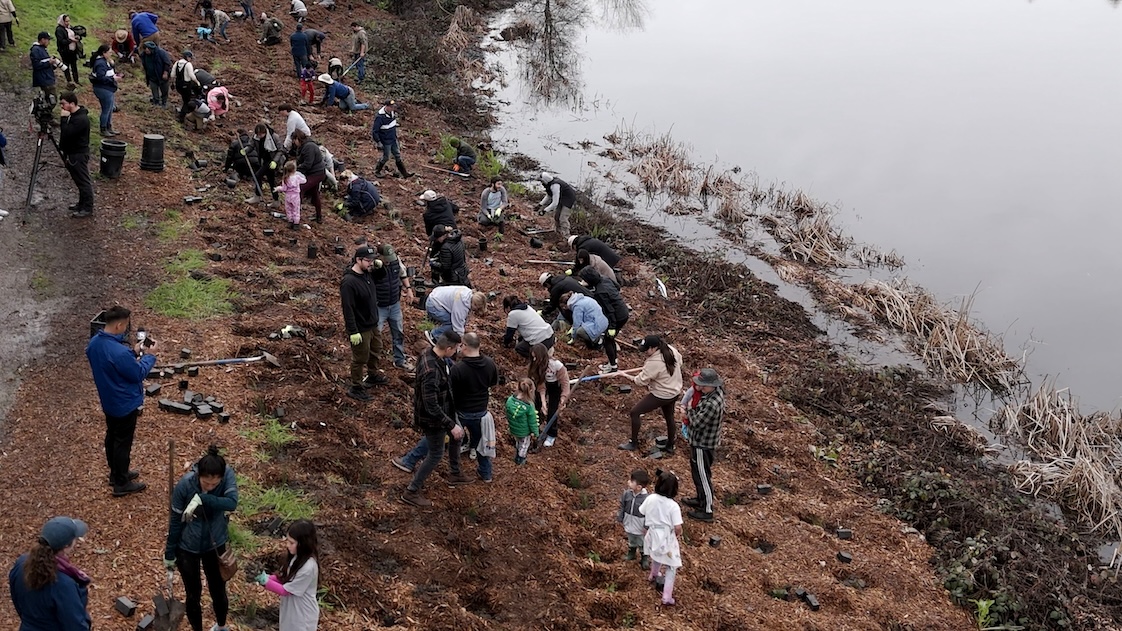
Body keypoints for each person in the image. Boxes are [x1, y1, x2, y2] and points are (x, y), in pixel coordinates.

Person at [164, 445, 239, 631]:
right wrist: (170, 552)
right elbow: (175, 521)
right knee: (193, 594)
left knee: (218, 590)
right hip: (187, 546)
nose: (210, 487)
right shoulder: (185, 484)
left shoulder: (227, 474)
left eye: (215, 484)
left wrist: (204, 498)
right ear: (199, 475)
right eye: (206, 483)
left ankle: (221, 626)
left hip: (215, 543)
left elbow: (232, 503)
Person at [85, 304, 155, 495]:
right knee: (122, 443)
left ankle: (116, 474)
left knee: (112, 437)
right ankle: (121, 484)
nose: (126, 329)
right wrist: (149, 356)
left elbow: (114, 364)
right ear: (118, 326)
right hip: (124, 403)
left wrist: (133, 352)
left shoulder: (94, 344)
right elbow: (138, 373)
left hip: (108, 400)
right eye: (125, 326)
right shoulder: (118, 352)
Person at [401, 331, 464, 507]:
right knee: (435, 454)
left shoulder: (429, 354)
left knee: (456, 437)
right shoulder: (431, 371)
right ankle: (412, 491)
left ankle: (456, 472)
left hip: (445, 411)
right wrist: (451, 425)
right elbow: (431, 406)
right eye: (456, 349)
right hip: (434, 420)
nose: (457, 352)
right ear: (449, 348)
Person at [8, 516, 91, 630]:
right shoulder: (64, 584)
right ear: (67, 546)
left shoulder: (21, 563)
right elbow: (76, 626)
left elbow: (16, 599)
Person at [619, 335, 682, 454]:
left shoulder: (653, 362)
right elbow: (680, 362)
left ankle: (633, 443)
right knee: (669, 417)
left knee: (635, 412)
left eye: (646, 349)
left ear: (654, 348)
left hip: (662, 394)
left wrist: (624, 375)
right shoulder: (670, 349)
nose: (645, 352)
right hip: (675, 391)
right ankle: (670, 446)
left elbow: (639, 381)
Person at [450, 332, 499, 482]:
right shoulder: (490, 364)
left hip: (461, 411)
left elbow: (451, 391)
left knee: (449, 441)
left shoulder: (458, 369)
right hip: (481, 412)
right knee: (481, 443)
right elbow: (492, 383)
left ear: (464, 346)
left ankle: (455, 471)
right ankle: (486, 474)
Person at [341, 245, 388, 401]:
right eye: (368, 260)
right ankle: (356, 386)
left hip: (372, 323)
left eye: (372, 260)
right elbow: (348, 309)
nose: (371, 263)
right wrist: (353, 331)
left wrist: (379, 267)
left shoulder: (368, 274)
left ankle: (372, 375)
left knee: (376, 350)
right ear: (358, 260)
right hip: (361, 327)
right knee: (360, 357)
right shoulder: (349, 282)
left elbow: (381, 277)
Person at [254, 520, 319, 631]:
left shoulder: (308, 567)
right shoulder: (297, 557)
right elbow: (285, 578)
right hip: (292, 611)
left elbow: (285, 590)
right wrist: (267, 577)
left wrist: (265, 581)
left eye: (291, 542)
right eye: (287, 541)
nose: (287, 545)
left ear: (303, 543)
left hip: (302, 616)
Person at [682, 368, 725, 523]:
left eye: (703, 385)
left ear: (711, 385)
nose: (700, 388)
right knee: (698, 473)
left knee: (703, 476)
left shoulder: (712, 404)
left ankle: (707, 509)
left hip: (703, 444)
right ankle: (700, 499)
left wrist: (688, 411)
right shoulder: (714, 393)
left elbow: (697, 423)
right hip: (702, 441)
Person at [369, 241, 414, 370]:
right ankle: (372, 363)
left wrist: (409, 289)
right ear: (380, 256)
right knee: (375, 334)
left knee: (398, 333)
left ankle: (399, 360)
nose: (388, 261)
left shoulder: (395, 260)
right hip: (379, 306)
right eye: (386, 259)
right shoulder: (373, 266)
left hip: (394, 304)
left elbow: (402, 273)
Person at [641, 470, 683, 606]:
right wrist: (677, 534)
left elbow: (642, 512)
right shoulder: (673, 506)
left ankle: (653, 574)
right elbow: (677, 527)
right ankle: (667, 596)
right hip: (666, 537)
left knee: (656, 554)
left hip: (652, 533)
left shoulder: (651, 498)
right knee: (671, 565)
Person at [579, 267, 629, 373]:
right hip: (623, 310)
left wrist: (612, 327)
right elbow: (617, 286)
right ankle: (613, 362)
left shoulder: (600, 292)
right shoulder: (604, 278)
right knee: (610, 339)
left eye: (584, 280)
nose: (583, 282)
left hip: (618, 316)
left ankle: (613, 366)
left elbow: (610, 311)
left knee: (608, 340)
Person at [59, 92, 94, 218]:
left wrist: (63, 120)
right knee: (79, 181)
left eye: (63, 104)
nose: (62, 107)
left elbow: (67, 133)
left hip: (78, 155)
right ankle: (81, 203)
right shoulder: (74, 115)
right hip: (72, 153)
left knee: (83, 181)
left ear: (72, 104)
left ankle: (87, 208)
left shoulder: (81, 119)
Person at [528, 343, 569, 447]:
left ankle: (551, 434)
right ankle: (535, 429)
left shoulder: (556, 365)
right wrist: (543, 402)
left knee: (553, 410)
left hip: (555, 386)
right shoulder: (536, 365)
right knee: (535, 405)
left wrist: (563, 398)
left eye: (536, 357)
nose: (534, 359)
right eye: (533, 357)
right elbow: (541, 385)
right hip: (543, 385)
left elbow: (565, 383)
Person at [616, 469, 651, 570]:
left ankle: (644, 557)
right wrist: (621, 516)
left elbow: (649, 514)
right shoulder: (627, 494)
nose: (628, 482)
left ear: (639, 487)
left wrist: (646, 526)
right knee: (631, 539)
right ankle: (631, 553)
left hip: (640, 525)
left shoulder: (646, 499)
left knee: (641, 541)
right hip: (629, 521)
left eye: (631, 481)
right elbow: (622, 506)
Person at [291, 129, 325, 222]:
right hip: (314, 172)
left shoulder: (309, 147)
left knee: (300, 188)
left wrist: (294, 170)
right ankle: (319, 217)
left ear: (298, 139)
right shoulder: (303, 146)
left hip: (316, 173)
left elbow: (307, 164)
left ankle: (295, 214)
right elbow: (300, 160)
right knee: (314, 194)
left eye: (294, 141)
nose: (294, 144)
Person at [372, 100, 412, 178]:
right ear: (386, 106)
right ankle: (377, 171)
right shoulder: (380, 117)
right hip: (386, 140)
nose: (392, 108)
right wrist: (378, 142)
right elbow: (375, 131)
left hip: (393, 138)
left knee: (397, 155)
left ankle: (404, 173)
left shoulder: (392, 113)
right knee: (386, 157)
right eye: (391, 107)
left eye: (393, 107)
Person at [505, 378, 539, 465]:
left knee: (518, 441)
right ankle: (521, 459)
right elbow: (532, 422)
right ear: (530, 390)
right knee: (524, 445)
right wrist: (535, 433)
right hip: (524, 431)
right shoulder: (529, 406)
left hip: (514, 429)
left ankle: (517, 454)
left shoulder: (510, 400)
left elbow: (507, 412)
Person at [89, 45, 119, 136]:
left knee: (109, 109)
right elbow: (100, 77)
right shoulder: (101, 64)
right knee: (106, 110)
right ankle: (103, 128)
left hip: (108, 88)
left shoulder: (105, 62)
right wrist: (113, 79)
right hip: (103, 89)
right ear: (104, 53)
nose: (111, 54)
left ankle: (108, 127)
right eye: (109, 52)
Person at [251, 123, 285, 203]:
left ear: (265, 132)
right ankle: (276, 200)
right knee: (271, 180)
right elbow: (251, 145)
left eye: (261, 134)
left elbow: (281, 150)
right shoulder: (256, 138)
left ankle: (257, 196)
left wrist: (275, 161)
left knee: (257, 175)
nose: (260, 136)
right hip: (264, 160)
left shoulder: (274, 137)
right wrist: (246, 149)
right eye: (258, 134)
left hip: (272, 160)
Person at [538, 171, 577, 239]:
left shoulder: (555, 186)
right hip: (561, 198)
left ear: (545, 180)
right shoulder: (549, 184)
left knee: (563, 218)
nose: (542, 183)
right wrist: (540, 204)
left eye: (542, 181)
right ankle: (558, 232)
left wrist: (545, 210)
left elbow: (555, 203)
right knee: (557, 216)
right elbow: (549, 195)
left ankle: (566, 236)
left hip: (569, 199)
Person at [173, 50, 202, 124]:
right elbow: (192, 76)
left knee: (184, 99)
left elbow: (172, 75)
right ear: (187, 57)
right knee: (187, 101)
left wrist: (173, 82)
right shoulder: (188, 64)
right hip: (186, 85)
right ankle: (181, 117)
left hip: (178, 85)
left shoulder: (177, 63)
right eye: (190, 58)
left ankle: (182, 112)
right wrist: (197, 82)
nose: (191, 59)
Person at [30, 32, 59, 105]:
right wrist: (49, 62)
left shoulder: (42, 49)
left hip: (47, 77)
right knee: (52, 99)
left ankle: (45, 112)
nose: (48, 42)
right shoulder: (36, 50)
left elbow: (44, 62)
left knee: (49, 98)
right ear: (42, 40)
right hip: (44, 79)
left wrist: (53, 64)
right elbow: (36, 65)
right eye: (47, 40)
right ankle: (44, 112)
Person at [140, 41, 171, 107]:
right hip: (152, 77)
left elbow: (167, 63)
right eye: (145, 48)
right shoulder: (144, 55)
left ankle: (164, 102)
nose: (146, 50)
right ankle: (156, 102)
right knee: (154, 91)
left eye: (148, 48)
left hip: (162, 76)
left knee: (164, 90)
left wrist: (165, 73)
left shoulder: (161, 53)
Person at [55, 14, 81, 86]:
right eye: (66, 21)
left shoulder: (70, 28)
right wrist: (71, 40)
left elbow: (76, 34)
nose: (68, 23)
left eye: (68, 21)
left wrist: (77, 37)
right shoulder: (59, 30)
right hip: (65, 51)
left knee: (74, 66)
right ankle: (69, 81)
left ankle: (76, 80)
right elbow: (61, 41)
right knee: (66, 66)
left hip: (73, 50)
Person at [278, 160, 305, 229]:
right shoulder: (297, 177)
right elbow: (304, 181)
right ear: (294, 169)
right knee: (296, 209)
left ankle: (290, 221)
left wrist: (278, 188)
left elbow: (284, 188)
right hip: (295, 196)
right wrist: (301, 175)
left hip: (288, 196)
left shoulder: (285, 178)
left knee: (288, 209)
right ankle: (296, 223)